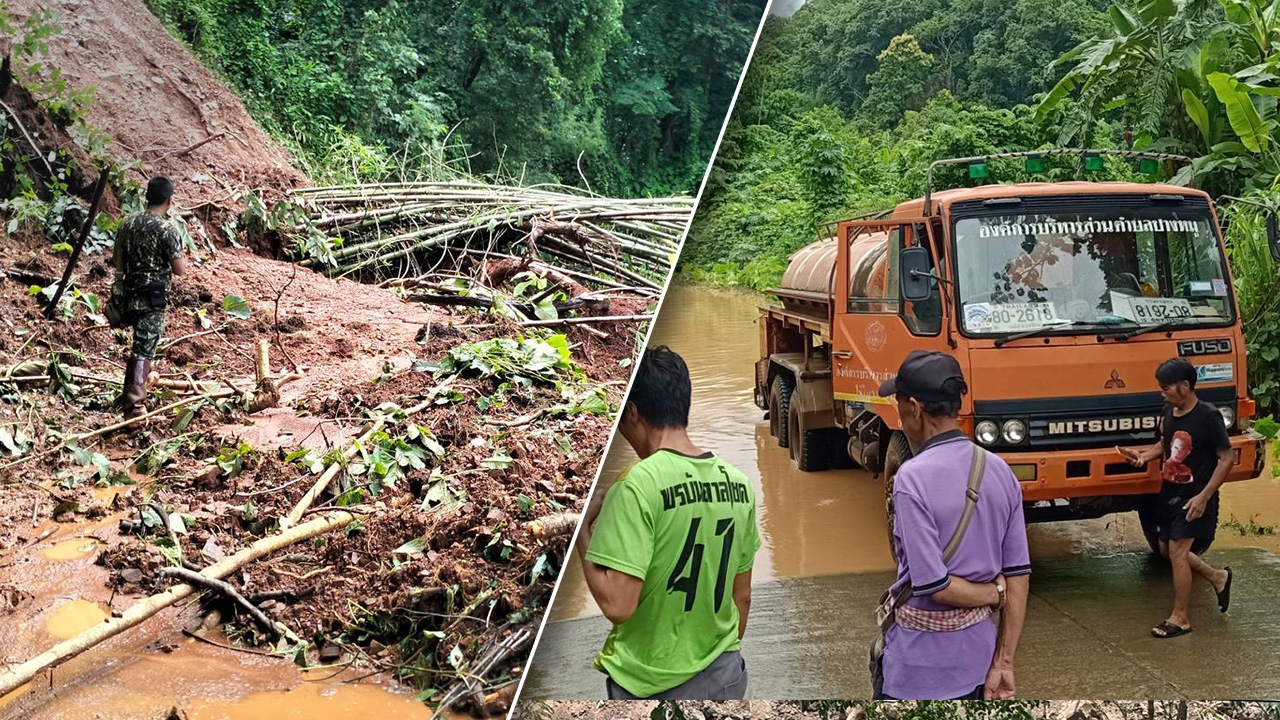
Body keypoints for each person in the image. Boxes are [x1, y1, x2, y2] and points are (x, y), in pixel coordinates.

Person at [576, 346, 761, 700]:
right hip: (725, 675)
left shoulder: (635, 486)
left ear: (632, 412)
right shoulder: (739, 485)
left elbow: (618, 605)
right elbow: (743, 597)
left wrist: (583, 531)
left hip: (651, 685)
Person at [876, 350, 1030, 700]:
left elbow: (935, 585)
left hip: (919, 672)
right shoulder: (1000, 470)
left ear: (914, 408)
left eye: (899, 405)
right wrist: (1004, 663)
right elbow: (1018, 573)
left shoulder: (911, 479)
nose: (899, 417)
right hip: (980, 662)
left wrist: (996, 593)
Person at [1118, 357, 1234, 638]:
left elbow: (1227, 457)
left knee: (1179, 553)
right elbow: (1166, 443)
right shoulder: (1168, 412)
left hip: (1195, 497)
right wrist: (1144, 456)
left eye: (1166, 387)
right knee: (1165, 551)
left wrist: (1205, 496)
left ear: (1185, 386)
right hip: (1169, 492)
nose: (1162, 393)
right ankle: (1218, 577)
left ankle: (1180, 617)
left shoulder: (1208, 416)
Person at [111, 176, 187, 418]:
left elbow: (117, 261)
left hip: (127, 293)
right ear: (169, 201)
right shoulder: (167, 229)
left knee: (139, 347)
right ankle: (134, 407)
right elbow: (179, 269)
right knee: (143, 350)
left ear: (147, 197)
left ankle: (128, 397)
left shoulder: (127, 224)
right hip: (152, 297)